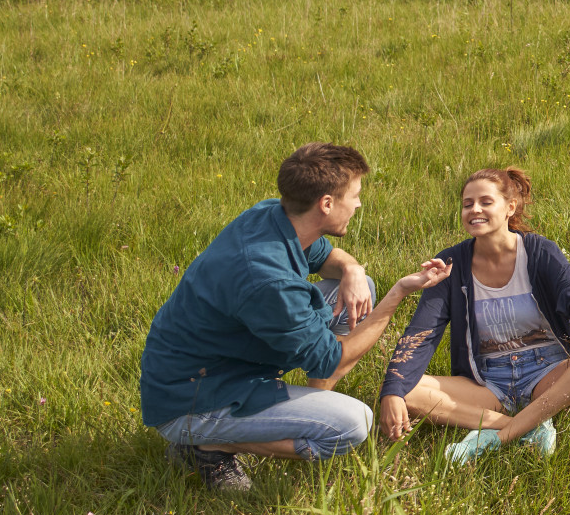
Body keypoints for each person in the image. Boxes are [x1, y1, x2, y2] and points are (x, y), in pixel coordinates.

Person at [141, 142, 390, 493]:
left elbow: (328, 257)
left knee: (359, 287)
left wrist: (352, 268)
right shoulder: (267, 281)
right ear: (327, 204)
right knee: (352, 424)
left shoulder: (274, 216)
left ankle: (299, 409)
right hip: (191, 398)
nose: (359, 204)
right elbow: (333, 359)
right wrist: (393, 303)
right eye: (355, 195)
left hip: (223, 362)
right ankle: (206, 447)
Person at [375, 166, 570, 465]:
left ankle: (496, 437)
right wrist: (391, 392)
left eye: (485, 202)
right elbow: (421, 333)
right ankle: (525, 426)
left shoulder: (539, 252)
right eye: (467, 204)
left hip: (547, 375)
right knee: (405, 391)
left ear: (510, 207)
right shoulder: (451, 263)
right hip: (487, 382)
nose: (475, 210)